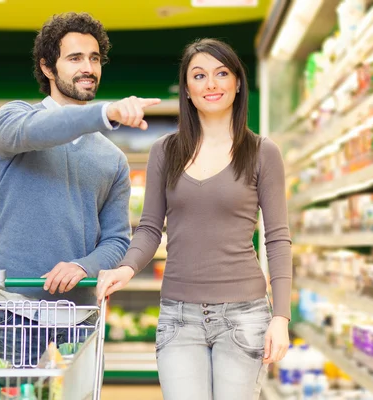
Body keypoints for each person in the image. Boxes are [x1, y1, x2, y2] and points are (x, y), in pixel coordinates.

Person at [96, 38, 292, 399]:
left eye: (221, 73)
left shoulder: (263, 152)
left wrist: (281, 317)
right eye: (199, 76)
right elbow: (151, 229)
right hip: (178, 318)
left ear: (237, 82)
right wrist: (124, 269)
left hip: (245, 316)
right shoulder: (165, 152)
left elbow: (277, 238)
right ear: (187, 89)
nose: (211, 84)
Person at [0, 12, 161, 367]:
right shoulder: (11, 121)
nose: (89, 68)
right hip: (15, 315)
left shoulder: (113, 159)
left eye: (94, 58)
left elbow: (117, 241)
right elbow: (45, 130)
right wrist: (104, 112)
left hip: (80, 322)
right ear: (48, 67)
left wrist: (84, 266)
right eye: (75, 58)